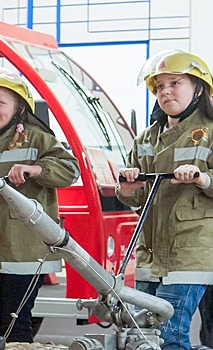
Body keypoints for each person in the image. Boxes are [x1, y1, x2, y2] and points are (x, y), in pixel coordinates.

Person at [0, 68, 79, 342]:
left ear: (19, 107)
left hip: (26, 252)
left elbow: (69, 170)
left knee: (16, 326)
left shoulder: (37, 137)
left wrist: (35, 169)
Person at [117, 50, 213, 350]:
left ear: (198, 88)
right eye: (159, 86)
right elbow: (135, 198)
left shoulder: (209, 133)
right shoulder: (145, 139)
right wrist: (129, 187)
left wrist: (201, 177)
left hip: (190, 253)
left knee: (169, 335)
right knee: (143, 336)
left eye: (175, 83)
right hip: (149, 255)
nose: (165, 92)